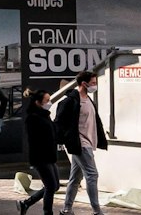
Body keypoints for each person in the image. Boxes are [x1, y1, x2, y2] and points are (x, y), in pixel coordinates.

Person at [54, 72, 108, 215]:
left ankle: (66, 209)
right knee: (92, 174)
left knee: (75, 178)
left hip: (87, 142)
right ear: (84, 84)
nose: (95, 85)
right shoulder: (70, 101)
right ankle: (96, 211)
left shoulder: (88, 99)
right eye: (93, 83)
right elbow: (59, 122)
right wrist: (65, 140)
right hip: (80, 144)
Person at [17, 89, 61, 215]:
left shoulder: (45, 115)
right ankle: (47, 212)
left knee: (55, 186)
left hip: (50, 156)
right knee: (50, 186)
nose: (49, 103)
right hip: (41, 158)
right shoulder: (33, 118)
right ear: (38, 102)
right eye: (47, 100)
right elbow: (34, 140)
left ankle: (26, 203)